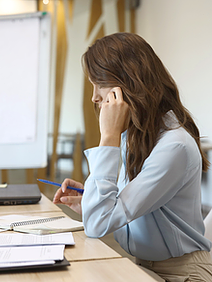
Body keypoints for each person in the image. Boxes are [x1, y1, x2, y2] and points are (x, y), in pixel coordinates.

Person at [53, 32, 212, 281]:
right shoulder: (137, 136)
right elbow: (114, 213)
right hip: (145, 266)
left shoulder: (174, 146)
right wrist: (91, 201)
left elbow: (98, 225)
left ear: (126, 83)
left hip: (183, 274)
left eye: (99, 84)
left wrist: (108, 137)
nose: (94, 97)